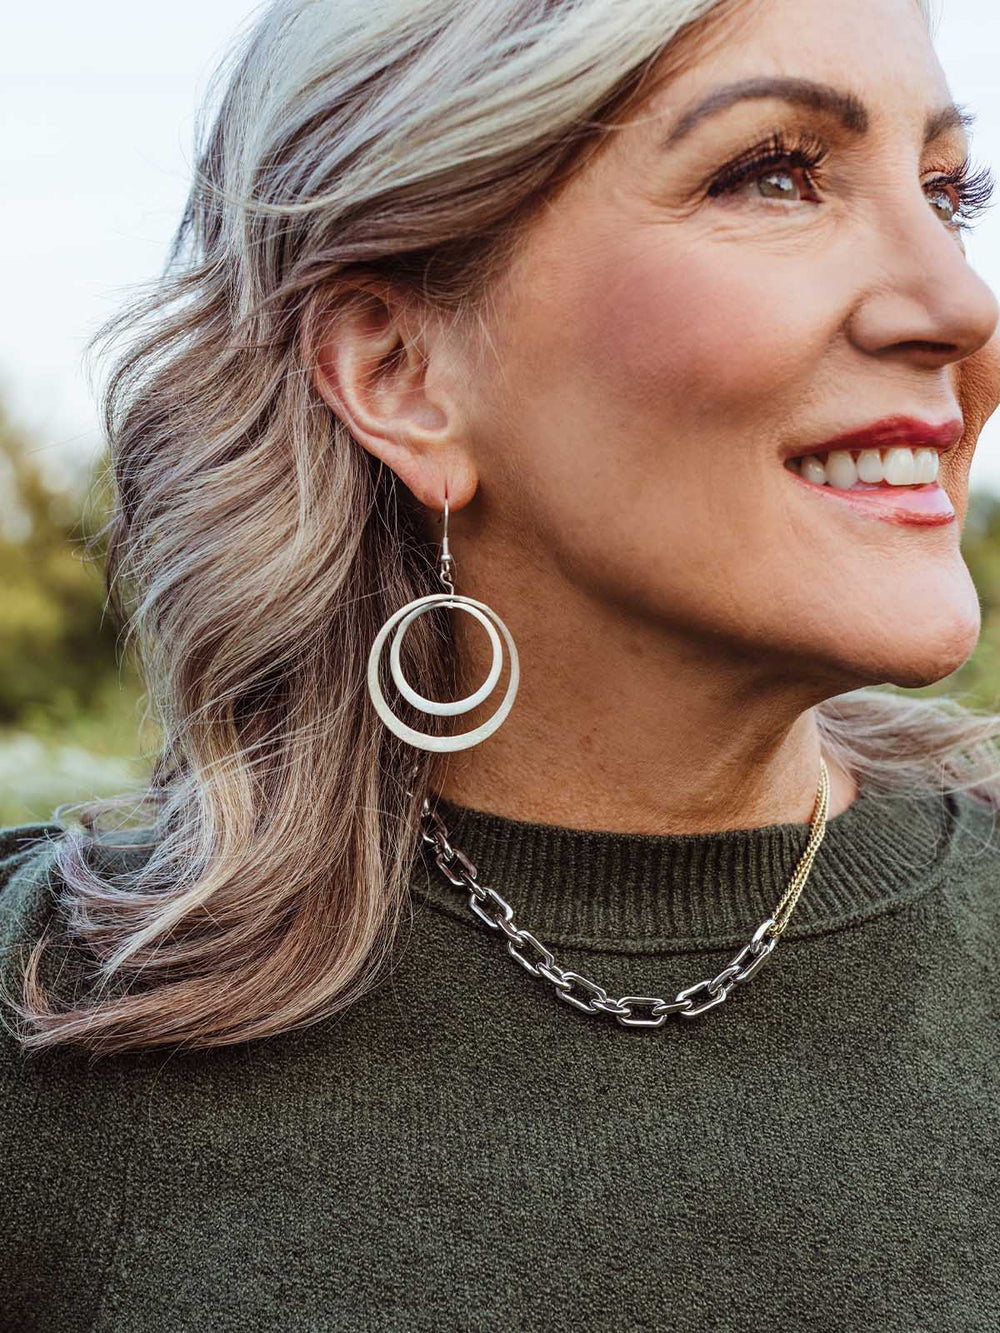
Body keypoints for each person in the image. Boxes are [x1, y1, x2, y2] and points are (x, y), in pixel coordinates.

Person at [2, 0, 1000, 1327]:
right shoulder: (45, 1024)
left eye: (948, 192)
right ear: (403, 371)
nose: (958, 302)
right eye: (776, 172)